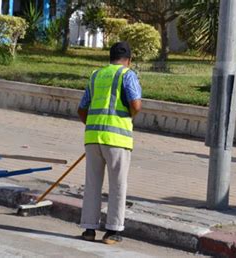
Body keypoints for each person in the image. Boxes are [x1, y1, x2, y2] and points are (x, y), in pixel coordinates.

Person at [77, 41, 142, 244]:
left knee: (92, 184)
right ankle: (112, 232)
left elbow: (81, 108)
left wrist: (94, 125)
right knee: (118, 185)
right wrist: (128, 118)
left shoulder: (96, 75)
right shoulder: (127, 74)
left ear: (110, 58)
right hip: (117, 138)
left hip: (93, 138)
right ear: (128, 61)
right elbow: (136, 104)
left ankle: (89, 229)